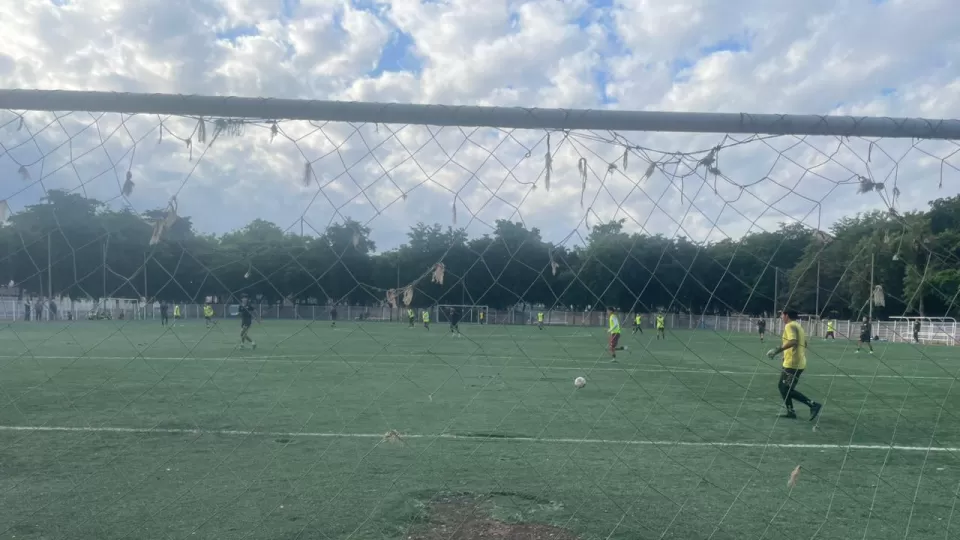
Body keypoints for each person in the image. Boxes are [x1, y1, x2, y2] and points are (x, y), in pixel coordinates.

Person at [767, 309, 822, 421]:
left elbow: (793, 341)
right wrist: (786, 354)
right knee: (784, 388)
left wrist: (777, 350)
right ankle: (791, 412)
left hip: (793, 364)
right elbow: (804, 343)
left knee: (785, 388)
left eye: (782, 315)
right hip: (795, 362)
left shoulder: (789, 326)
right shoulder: (798, 326)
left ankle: (813, 405)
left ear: (787, 315)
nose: (781, 317)